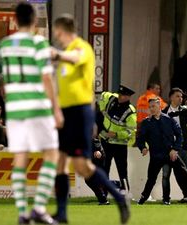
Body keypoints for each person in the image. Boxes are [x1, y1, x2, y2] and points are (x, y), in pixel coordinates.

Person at [50, 14, 130, 224]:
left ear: (62, 29)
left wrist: (56, 55)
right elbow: (63, 88)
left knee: (83, 166)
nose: (56, 36)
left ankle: (118, 196)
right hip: (66, 113)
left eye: (57, 31)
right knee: (59, 162)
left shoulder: (81, 48)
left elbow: (76, 59)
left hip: (80, 112)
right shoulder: (65, 53)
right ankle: (61, 213)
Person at [0, 3, 63, 224]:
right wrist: (56, 109)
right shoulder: (38, 43)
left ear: (14, 20)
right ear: (35, 21)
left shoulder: (4, 45)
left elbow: (6, 80)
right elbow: (46, 78)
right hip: (37, 106)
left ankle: (22, 212)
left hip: (15, 109)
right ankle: (39, 207)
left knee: (19, 158)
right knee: (52, 154)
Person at [137, 98, 187, 205]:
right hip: (156, 155)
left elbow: (180, 135)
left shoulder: (169, 120)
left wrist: (175, 149)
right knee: (151, 179)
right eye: (150, 107)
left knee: (184, 174)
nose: (151, 109)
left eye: (153, 106)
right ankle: (143, 198)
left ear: (159, 106)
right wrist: (142, 147)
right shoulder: (146, 123)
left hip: (170, 153)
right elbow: (140, 139)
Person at [161, 88, 187, 204]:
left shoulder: (185, 111)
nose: (180, 99)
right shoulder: (164, 112)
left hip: (183, 147)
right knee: (173, 173)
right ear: (171, 97)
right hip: (168, 148)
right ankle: (182, 196)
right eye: (178, 96)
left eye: (181, 97)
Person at [98, 85, 137, 193]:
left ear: (128, 97)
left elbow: (131, 132)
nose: (120, 97)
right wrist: (102, 109)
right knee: (104, 168)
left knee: (122, 170)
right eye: (119, 94)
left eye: (123, 95)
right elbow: (103, 95)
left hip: (120, 145)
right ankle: (103, 194)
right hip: (106, 142)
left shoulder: (130, 111)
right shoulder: (111, 98)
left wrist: (116, 134)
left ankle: (125, 193)